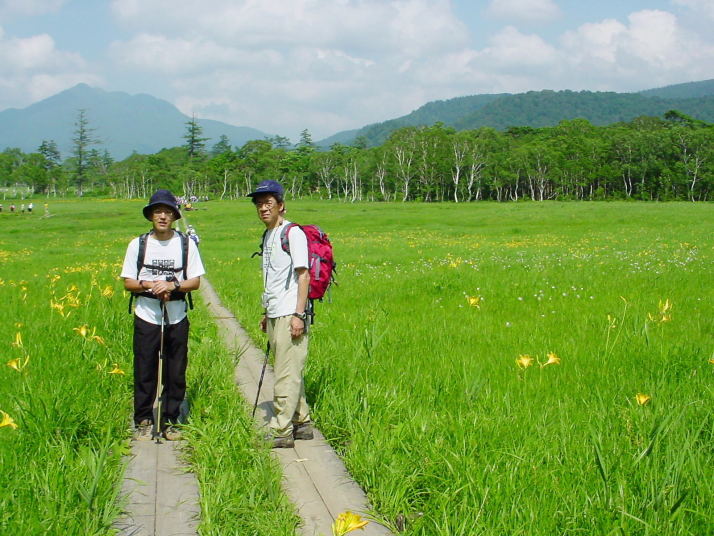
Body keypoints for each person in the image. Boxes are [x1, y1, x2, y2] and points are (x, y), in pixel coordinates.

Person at [121, 189, 205, 441]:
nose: (162, 216)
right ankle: (144, 418)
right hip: (147, 315)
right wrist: (150, 285)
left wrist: (172, 286)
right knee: (145, 368)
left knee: (175, 370)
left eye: (168, 212)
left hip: (176, 316)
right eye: (158, 211)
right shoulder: (138, 244)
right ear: (150, 216)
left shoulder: (186, 244)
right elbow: (128, 282)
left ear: (174, 216)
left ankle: (170, 419)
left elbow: (196, 281)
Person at [248, 180, 313, 448]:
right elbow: (273, 279)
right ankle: (302, 421)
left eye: (268, 203)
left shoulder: (293, 233)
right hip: (276, 312)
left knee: (286, 373)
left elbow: (303, 275)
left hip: (290, 313)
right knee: (289, 368)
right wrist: (267, 312)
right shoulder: (269, 235)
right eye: (259, 204)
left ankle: (281, 430)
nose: (263, 208)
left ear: (281, 205)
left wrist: (299, 314)